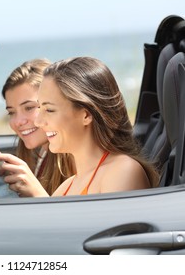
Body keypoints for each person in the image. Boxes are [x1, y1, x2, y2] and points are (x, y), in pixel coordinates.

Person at [17, 56, 158, 197]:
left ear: (86, 115)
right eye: (39, 107)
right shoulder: (65, 187)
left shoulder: (123, 171)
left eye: (49, 110)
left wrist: (39, 196)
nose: (38, 122)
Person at [0, 58, 75, 197]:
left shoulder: (76, 159)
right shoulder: (43, 154)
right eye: (11, 112)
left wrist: (36, 193)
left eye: (29, 108)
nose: (18, 121)